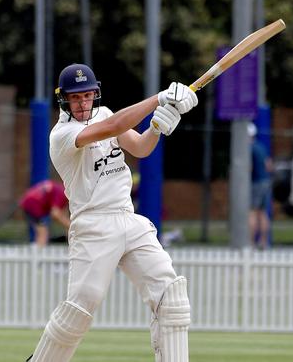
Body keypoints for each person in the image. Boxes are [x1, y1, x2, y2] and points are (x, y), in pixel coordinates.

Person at [26, 63, 198, 362]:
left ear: (96, 94)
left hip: (129, 219)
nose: (82, 104)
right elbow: (113, 128)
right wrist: (158, 98)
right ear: (63, 99)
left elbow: (141, 148)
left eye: (87, 96)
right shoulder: (62, 134)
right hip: (93, 225)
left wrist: (156, 128)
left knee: (171, 298)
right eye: (75, 98)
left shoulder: (104, 114)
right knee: (80, 310)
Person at [19, 179, 70, 247]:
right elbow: (55, 214)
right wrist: (69, 225)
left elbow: (62, 214)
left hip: (28, 201)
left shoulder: (60, 189)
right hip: (33, 204)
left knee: (41, 232)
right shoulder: (62, 194)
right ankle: (38, 254)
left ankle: (36, 249)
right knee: (43, 234)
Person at [248, 123, 273, 250]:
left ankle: (251, 243)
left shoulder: (249, 148)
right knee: (263, 213)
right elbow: (269, 165)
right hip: (265, 182)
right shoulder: (261, 147)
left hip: (256, 182)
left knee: (252, 212)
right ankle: (264, 242)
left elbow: (249, 167)